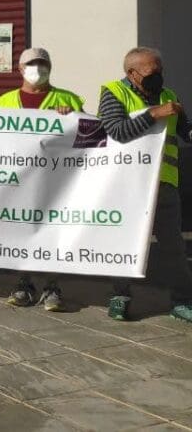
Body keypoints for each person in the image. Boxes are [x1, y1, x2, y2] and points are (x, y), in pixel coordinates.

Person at [0, 47, 84, 311]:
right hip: (18, 182)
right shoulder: (4, 101)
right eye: (32, 65)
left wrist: (72, 117)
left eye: (43, 64)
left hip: (54, 181)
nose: (38, 69)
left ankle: (52, 286)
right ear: (20, 69)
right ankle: (23, 283)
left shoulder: (69, 99)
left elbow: (85, 136)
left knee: (52, 231)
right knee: (20, 230)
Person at [98, 47, 192, 323]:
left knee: (173, 247)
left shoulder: (170, 95)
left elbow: (184, 130)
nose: (159, 77)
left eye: (160, 71)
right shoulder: (113, 92)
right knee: (125, 243)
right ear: (132, 73)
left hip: (165, 184)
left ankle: (183, 300)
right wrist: (154, 114)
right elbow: (116, 131)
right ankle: (120, 295)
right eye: (153, 72)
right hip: (129, 185)